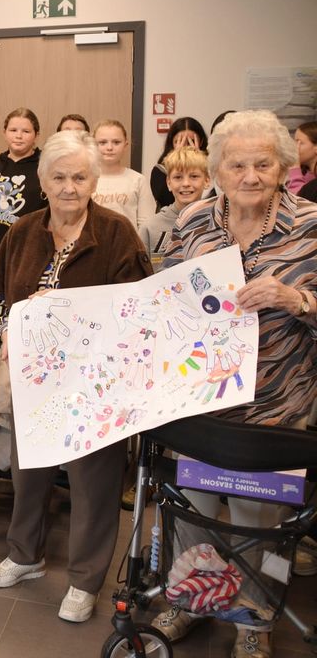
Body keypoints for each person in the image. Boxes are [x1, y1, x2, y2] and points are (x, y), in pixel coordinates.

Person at [155, 110, 317, 658]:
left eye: (263, 164)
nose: (250, 175)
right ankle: (190, 600)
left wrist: (296, 300)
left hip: (277, 408)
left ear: (283, 167)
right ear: (217, 168)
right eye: (237, 164)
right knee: (192, 510)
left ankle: (255, 617)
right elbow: (167, 296)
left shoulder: (312, 226)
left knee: (262, 523)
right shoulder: (194, 221)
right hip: (201, 405)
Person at [0, 131, 152, 623]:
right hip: (35, 380)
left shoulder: (116, 232)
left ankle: (84, 581)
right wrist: (6, 333)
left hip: (95, 382)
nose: (69, 187)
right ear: (43, 182)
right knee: (28, 471)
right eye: (59, 177)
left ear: (94, 181)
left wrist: (61, 311)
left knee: (93, 482)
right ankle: (24, 555)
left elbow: (134, 308)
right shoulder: (22, 231)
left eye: (80, 177)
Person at [0, 107, 45, 287]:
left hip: (28, 257)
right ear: (4, 133)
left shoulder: (45, 169)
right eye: (13, 130)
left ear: (36, 134)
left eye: (26, 131)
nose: (19, 136)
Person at [139, 146, 208, 257]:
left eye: (194, 176)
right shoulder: (150, 228)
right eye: (178, 177)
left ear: (206, 181)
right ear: (168, 183)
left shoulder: (219, 224)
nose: (186, 183)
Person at [92, 119, 154, 229]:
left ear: (125, 145)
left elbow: (146, 225)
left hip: (128, 245)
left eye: (116, 142)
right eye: (102, 142)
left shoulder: (138, 180)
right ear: (93, 145)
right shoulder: (85, 179)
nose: (109, 148)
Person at [147, 117, 208, 211]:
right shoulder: (160, 170)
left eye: (189, 142)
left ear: (201, 142)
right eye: (178, 141)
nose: (184, 147)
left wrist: (197, 160)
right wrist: (177, 160)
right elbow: (166, 200)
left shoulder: (211, 169)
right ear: (172, 143)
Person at [285, 120, 317, 193]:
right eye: (295, 141)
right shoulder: (307, 174)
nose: (295, 147)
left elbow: (301, 200)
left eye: (300, 143)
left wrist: (295, 168)